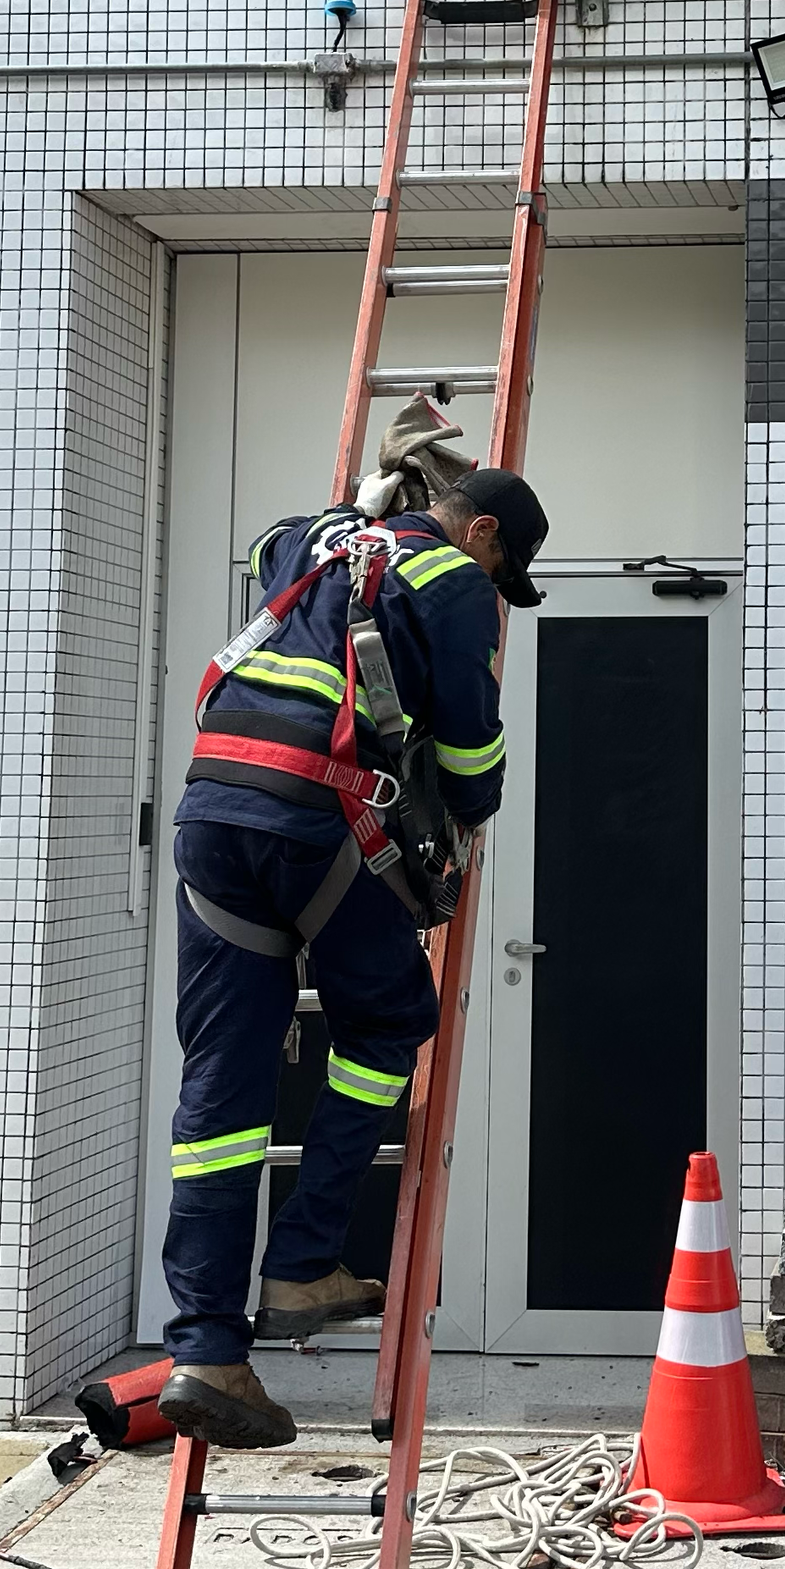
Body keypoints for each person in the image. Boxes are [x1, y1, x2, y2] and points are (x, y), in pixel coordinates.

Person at [161, 393, 548, 1449]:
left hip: (213, 815)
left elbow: (272, 541)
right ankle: (299, 1267)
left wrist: (377, 486)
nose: (496, 589)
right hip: (325, 825)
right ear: (480, 535)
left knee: (222, 1084)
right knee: (384, 1025)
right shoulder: (453, 580)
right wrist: (466, 826)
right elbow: (469, 747)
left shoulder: (313, 543)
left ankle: (207, 1345)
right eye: (501, 567)